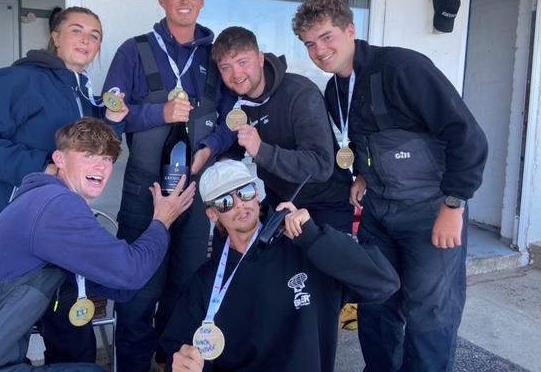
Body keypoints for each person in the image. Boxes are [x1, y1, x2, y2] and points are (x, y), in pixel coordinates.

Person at [0, 117, 196, 372]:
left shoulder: (44, 199)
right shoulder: (54, 206)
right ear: (59, 159)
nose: (101, 166)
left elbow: (122, 285)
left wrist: (127, 265)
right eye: (87, 154)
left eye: (107, 158)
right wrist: (162, 220)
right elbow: (131, 272)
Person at [292, 0, 488, 372]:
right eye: (310, 44)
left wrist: (453, 205)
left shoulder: (401, 67)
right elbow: (365, 142)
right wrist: (364, 173)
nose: (319, 50)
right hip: (379, 213)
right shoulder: (334, 90)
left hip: (430, 213)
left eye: (327, 37)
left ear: (350, 30)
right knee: (377, 304)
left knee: (428, 314)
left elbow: (467, 135)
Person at [0, 6, 128, 364]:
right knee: (4, 328)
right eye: (76, 30)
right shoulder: (21, 79)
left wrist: (112, 122)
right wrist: (42, 167)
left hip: (55, 222)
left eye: (94, 35)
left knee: (66, 318)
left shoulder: (82, 92)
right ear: (55, 36)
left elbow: (88, 150)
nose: (86, 39)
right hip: (2, 219)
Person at [102, 0, 236, 370]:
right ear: (162, 0)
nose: (184, 0)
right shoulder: (134, 50)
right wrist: (160, 113)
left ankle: (169, 362)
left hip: (196, 194)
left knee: (186, 285)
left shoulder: (217, 57)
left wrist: (210, 147)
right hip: (146, 192)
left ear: (201, 2)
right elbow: (110, 116)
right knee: (138, 287)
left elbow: (233, 119)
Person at [160, 159, 400, 372]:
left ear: (257, 194)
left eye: (244, 192)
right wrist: (180, 363)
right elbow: (177, 345)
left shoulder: (309, 252)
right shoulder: (207, 281)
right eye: (225, 201)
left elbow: (384, 283)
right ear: (213, 215)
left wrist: (315, 237)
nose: (240, 205)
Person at [211, 26, 354, 232]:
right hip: (280, 201)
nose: (236, 74)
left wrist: (261, 150)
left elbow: (320, 165)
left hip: (325, 205)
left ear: (260, 59)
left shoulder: (301, 94)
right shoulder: (238, 101)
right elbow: (237, 142)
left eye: (243, 62)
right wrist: (225, 163)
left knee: (317, 263)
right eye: (225, 67)